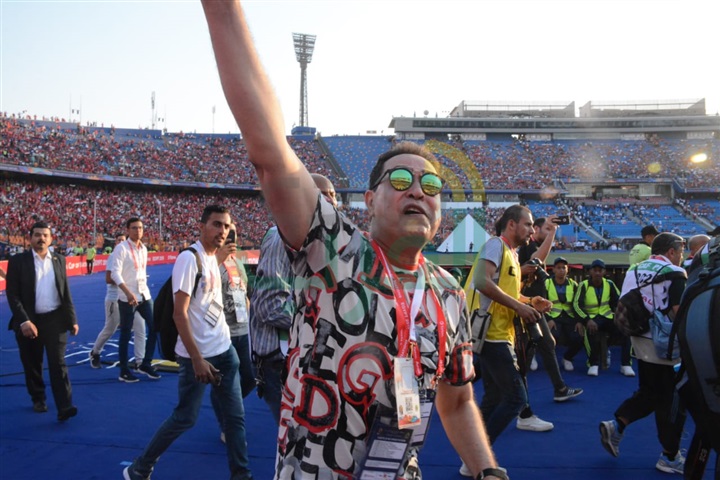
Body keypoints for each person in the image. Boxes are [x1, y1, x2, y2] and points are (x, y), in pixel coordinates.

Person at [202, 2, 504, 478]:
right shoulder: (335, 251)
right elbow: (271, 155)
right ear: (368, 199)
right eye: (401, 178)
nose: (417, 192)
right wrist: (223, 10)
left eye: (431, 187)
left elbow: (459, 399)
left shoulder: (448, 292)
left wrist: (487, 470)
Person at [123, 205, 253, 480]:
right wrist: (196, 358)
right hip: (197, 357)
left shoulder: (212, 259)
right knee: (185, 418)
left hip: (224, 351)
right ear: (202, 226)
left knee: (235, 419)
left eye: (227, 226)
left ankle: (241, 475)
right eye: (216, 224)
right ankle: (141, 467)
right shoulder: (188, 258)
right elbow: (178, 314)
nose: (223, 231)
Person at [466, 205, 552, 467]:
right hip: (491, 334)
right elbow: (482, 282)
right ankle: (477, 457)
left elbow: (505, 293)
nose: (532, 230)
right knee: (516, 398)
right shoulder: (496, 245)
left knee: (493, 398)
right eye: (528, 225)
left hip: (498, 334)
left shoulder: (511, 255)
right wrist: (518, 306)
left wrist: (529, 300)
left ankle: (470, 457)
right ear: (511, 224)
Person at [249, 174, 337, 425]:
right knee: (294, 442)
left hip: (308, 355)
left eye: (334, 194)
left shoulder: (324, 241)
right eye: (323, 193)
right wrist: (321, 324)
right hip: (282, 361)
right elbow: (270, 306)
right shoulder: (281, 238)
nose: (331, 199)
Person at [600, 233, 688, 474]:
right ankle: (669, 455)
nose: (682, 255)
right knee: (668, 400)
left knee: (651, 391)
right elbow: (678, 310)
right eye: (681, 250)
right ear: (671, 251)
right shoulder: (675, 273)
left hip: (638, 338)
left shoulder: (634, 270)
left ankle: (618, 425)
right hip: (664, 342)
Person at [5, 221, 79, 421]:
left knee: (58, 363)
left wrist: (72, 319)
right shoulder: (18, 261)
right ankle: (38, 397)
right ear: (30, 238)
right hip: (29, 321)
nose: (41, 238)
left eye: (45, 235)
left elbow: (65, 293)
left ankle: (65, 406)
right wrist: (24, 321)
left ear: (51, 239)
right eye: (37, 235)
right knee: (32, 364)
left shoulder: (59, 260)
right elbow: (12, 295)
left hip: (55, 319)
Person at [516, 216, 582, 426]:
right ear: (536, 229)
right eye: (546, 228)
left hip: (534, 306)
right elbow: (537, 260)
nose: (550, 230)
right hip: (525, 306)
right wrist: (553, 233)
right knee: (525, 357)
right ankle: (522, 406)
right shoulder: (528, 246)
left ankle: (559, 389)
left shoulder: (531, 245)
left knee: (546, 344)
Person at [211, 222, 255, 443]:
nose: (233, 239)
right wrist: (218, 259)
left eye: (235, 234)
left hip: (242, 329)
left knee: (250, 377)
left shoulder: (238, 262)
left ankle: (225, 400)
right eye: (229, 234)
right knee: (225, 381)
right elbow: (205, 290)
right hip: (223, 331)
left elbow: (244, 291)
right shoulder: (212, 262)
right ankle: (226, 424)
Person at [110, 217, 160, 383]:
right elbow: (114, 273)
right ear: (127, 229)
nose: (137, 231)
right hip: (127, 298)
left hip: (144, 295)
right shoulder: (121, 248)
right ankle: (124, 370)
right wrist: (127, 292)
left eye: (140, 228)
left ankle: (145, 363)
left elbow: (141, 272)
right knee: (125, 333)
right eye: (134, 228)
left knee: (155, 327)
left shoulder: (144, 249)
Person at [88, 233, 146, 369]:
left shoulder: (131, 255)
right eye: (118, 240)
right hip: (115, 298)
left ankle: (140, 362)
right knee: (110, 328)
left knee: (140, 327)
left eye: (123, 240)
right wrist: (125, 282)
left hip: (132, 298)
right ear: (115, 243)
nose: (121, 242)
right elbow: (108, 278)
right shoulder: (114, 256)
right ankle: (95, 352)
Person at [573, 259, 633, 377]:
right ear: (590, 272)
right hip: (591, 318)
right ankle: (593, 363)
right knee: (590, 331)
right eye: (595, 270)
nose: (597, 273)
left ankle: (626, 364)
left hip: (607, 316)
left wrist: (621, 316)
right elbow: (576, 305)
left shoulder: (609, 284)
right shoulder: (583, 285)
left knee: (626, 331)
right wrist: (587, 320)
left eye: (600, 270)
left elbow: (618, 301)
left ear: (604, 272)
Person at [545, 257, 584, 372]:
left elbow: (578, 304)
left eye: (564, 267)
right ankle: (550, 361)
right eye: (558, 268)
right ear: (553, 270)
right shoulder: (546, 283)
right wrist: (548, 319)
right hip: (553, 317)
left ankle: (567, 358)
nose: (561, 270)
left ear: (567, 270)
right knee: (552, 337)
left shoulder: (573, 284)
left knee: (578, 337)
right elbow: (542, 303)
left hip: (569, 317)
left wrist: (579, 321)